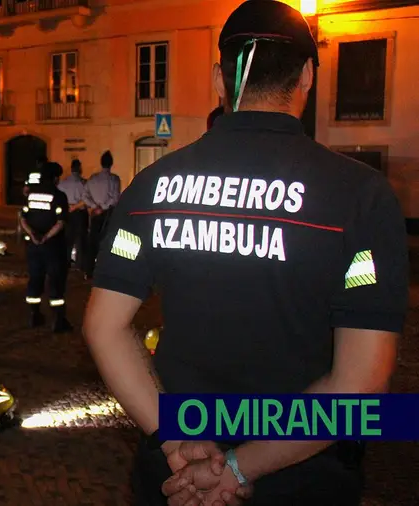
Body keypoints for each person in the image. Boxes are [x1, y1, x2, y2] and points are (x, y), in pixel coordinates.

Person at [83, 2, 408, 506]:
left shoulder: (152, 186)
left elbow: (103, 327)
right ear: (307, 76)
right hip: (301, 477)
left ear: (220, 79)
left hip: (173, 474)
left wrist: (176, 444)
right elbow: (360, 383)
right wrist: (237, 468)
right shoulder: (361, 196)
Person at [20, 161, 72, 333]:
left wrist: (33, 235)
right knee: (56, 280)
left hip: (33, 246)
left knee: (35, 278)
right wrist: (46, 237)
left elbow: (23, 218)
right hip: (53, 246)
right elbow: (61, 222)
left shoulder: (31, 195)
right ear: (55, 178)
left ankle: (34, 315)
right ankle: (58, 320)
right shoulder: (59, 196)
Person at [82, 150, 121, 279]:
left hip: (94, 215)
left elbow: (85, 196)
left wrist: (95, 207)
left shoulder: (92, 179)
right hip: (108, 214)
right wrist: (103, 208)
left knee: (92, 243)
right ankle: (106, 271)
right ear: (111, 164)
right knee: (108, 243)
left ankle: (89, 272)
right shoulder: (114, 179)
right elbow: (115, 198)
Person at [58, 158, 88, 270]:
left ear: (71, 169)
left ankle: (65, 263)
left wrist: (69, 207)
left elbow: (60, 197)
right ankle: (80, 265)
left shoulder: (63, 182)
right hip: (80, 213)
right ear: (80, 168)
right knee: (80, 240)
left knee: (67, 239)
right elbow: (86, 199)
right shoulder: (84, 183)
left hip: (67, 212)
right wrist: (75, 206)